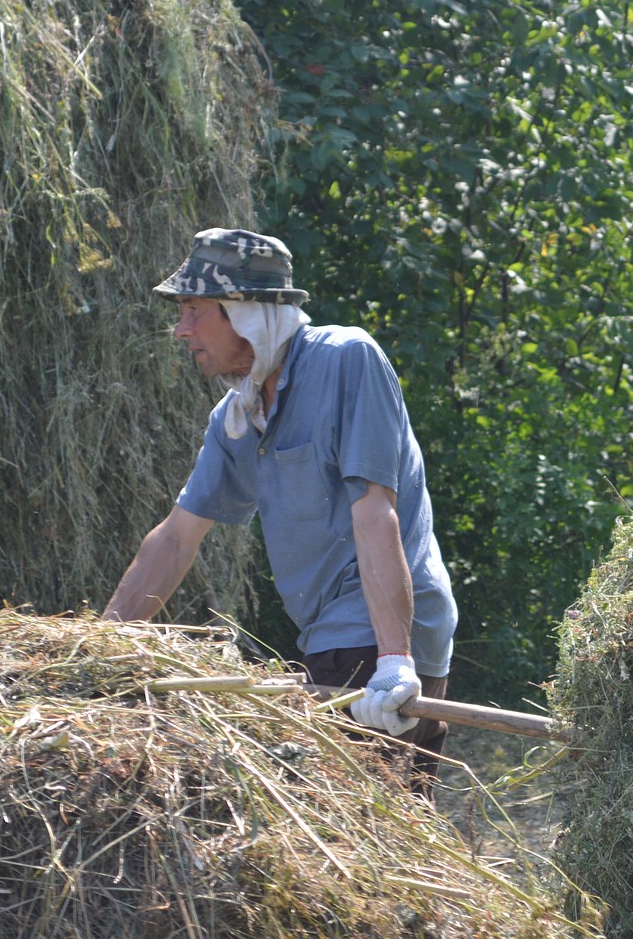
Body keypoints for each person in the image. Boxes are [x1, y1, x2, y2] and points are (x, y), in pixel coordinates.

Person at [103, 227, 458, 792]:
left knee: (360, 831)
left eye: (196, 310)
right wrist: (98, 651)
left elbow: (374, 510)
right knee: (385, 829)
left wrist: (395, 660)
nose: (182, 329)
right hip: (333, 640)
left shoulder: (346, 360)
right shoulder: (238, 417)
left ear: (246, 313)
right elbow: (176, 538)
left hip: (384, 633)